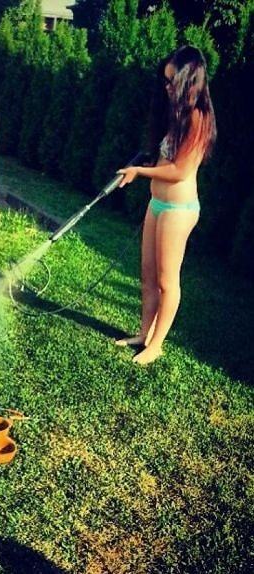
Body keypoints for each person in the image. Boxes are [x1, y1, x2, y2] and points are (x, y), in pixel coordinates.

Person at [115, 45, 216, 365]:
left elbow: (180, 171)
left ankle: (156, 345)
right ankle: (144, 334)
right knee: (147, 275)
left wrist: (138, 172)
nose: (167, 86)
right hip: (158, 204)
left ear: (189, 82)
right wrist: (146, 159)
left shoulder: (198, 119)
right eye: (166, 80)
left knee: (166, 280)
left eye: (172, 81)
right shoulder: (176, 117)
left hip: (178, 210)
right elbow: (165, 157)